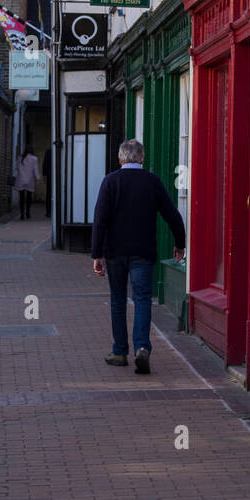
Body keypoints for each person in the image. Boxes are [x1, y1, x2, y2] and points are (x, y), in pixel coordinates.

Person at [91, 138, 185, 374]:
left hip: (115, 251)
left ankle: (120, 351)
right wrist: (180, 243)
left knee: (118, 300)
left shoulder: (110, 182)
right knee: (142, 298)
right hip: (143, 250)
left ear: (120, 158)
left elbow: (100, 220)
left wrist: (97, 254)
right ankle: (142, 347)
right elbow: (172, 215)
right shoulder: (152, 182)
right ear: (142, 158)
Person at [15, 145, 40, 220]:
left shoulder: (20, 158)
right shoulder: (34, 159)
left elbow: (17, 167)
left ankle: (22, 214)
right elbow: (35, 170)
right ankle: (28, 213)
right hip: (30, 180)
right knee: (29, 198)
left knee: (21, 198)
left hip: (21, 180)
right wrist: (38, 178)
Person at [42, 146, 52, 217]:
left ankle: (48, 211)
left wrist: (44, 174)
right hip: (58, 174)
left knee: (49, 193)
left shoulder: (49, 150)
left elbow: (45, 163)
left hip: (49, 174)